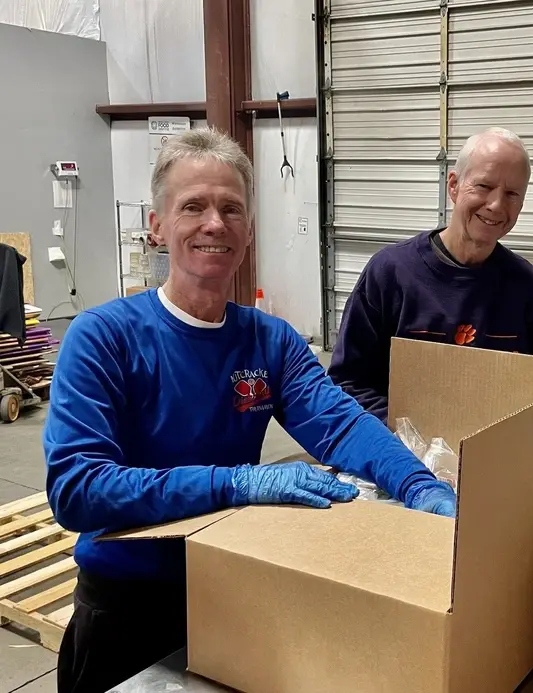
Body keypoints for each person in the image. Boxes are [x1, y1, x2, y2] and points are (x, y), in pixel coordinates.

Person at [43, 127, 457, 693]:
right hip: (128, 607)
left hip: (237, 585)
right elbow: (78, 489)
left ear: (249, 230)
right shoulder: (102, 338)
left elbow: (339, 423)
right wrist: (235, 482)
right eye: (193, 206)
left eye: (231, 208)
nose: (215, 223)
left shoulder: (270, 341)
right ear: (156, 225)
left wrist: (418, 486)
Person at [328, 127, 533, 422]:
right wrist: (415, 440)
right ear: (454, 185)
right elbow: (348, 384)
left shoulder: (529, 288)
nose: (496, 205)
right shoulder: (390, 274)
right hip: (401, 455)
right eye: (483, 186)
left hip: (496, 454)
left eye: (511, 194)